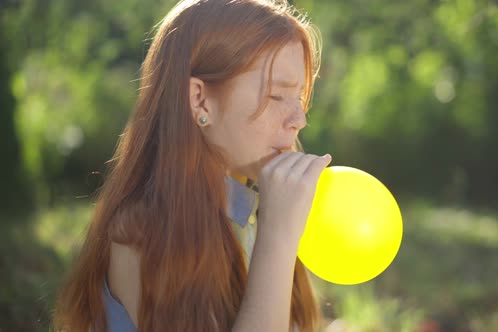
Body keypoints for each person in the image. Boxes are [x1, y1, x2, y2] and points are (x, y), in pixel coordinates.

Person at [52, 0, 332, 331]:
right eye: (275, 95)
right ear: (200, 100)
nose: (299, 120)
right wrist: (279, 238)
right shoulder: (144, 234)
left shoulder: (256, 215)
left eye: (299, 97)